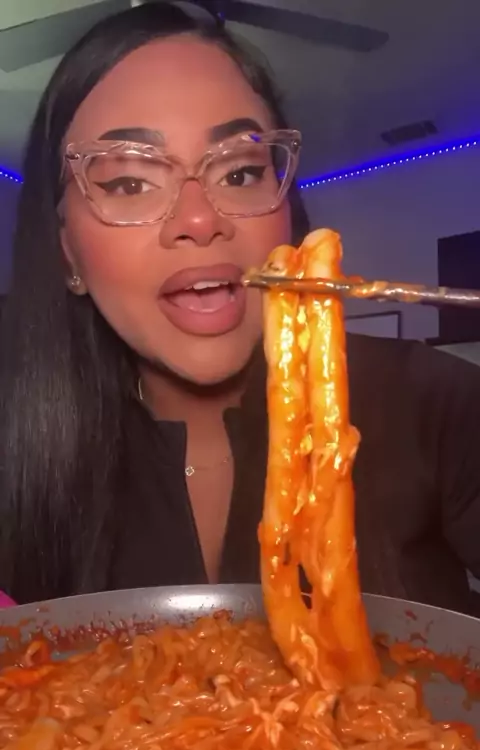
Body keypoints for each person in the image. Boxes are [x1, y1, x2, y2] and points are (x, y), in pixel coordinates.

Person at [1, 2, 480, 615]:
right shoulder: (19, 456)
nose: (201, 220)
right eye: (129, 183)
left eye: (240, 172)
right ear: (68, 253)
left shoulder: (435, 402)